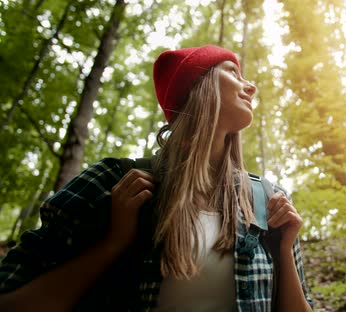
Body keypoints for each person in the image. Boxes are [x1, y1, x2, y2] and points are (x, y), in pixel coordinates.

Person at [0, 45, 313, 311]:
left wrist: (283, 250)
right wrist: (114, 244)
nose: (251, 86)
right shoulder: (111, 182)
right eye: (232, 72)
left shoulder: (268, 200)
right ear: (197, 87)